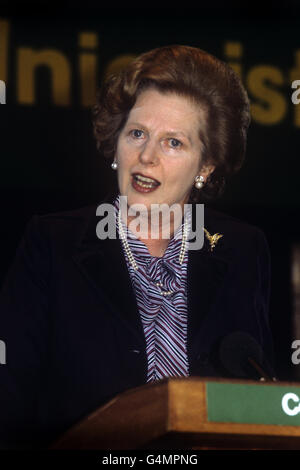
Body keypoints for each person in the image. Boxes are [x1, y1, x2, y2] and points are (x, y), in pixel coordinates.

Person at [0, 45, 274, 449]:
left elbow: (260, 401)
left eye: (173, 143)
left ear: (206, 165)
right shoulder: (52, 243)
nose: (146, 157)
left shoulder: (244, 249)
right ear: (117, 141)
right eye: (138, 133)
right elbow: (9, 401)